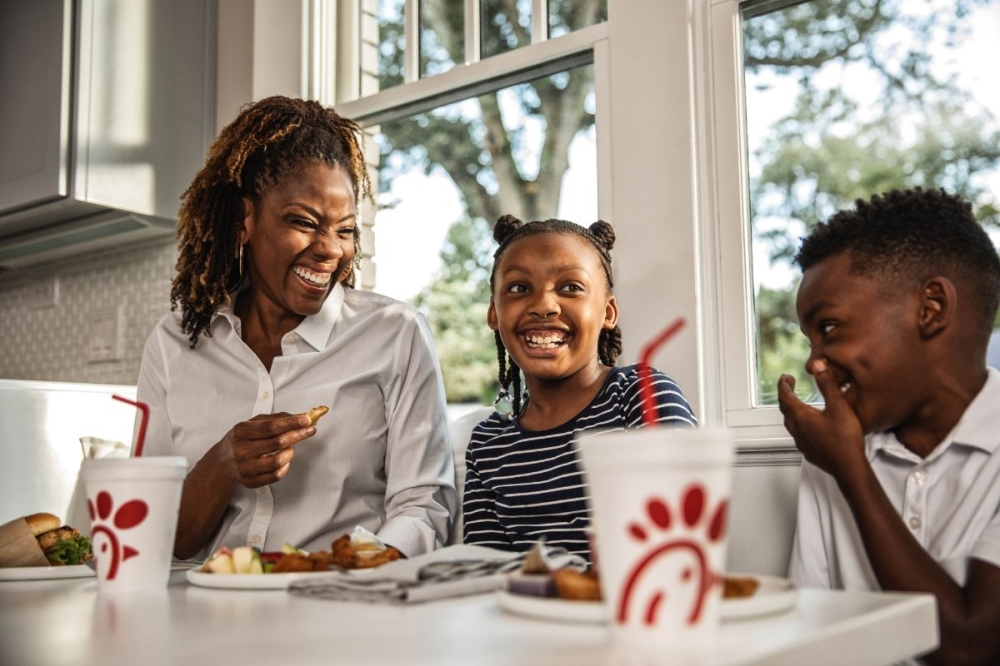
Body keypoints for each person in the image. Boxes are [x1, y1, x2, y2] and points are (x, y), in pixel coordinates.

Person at [137, 96, 456, 561]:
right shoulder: (174, 342)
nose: (330, 250)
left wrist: (357, 567)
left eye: (345, 230)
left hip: (341, 605)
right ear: (246, 219)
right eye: (304, 223)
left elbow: (423, 506)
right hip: (205, 610)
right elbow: (152, 536)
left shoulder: (395, 334)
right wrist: (224, 463)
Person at [778, 188, 1000, 665]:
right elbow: (809, 644)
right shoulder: (830, 453)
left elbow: (971, 648)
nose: (815, 364)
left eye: (830, 328)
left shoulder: (838, 456)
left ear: (931, 308)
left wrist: (852, 474)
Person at [462, 215, 697, 561]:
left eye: (571, 287)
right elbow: (484, 575)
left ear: (608, 312)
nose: (544, 305)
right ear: (494, 314)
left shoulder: (642, 397)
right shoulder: (488, 445)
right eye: (518, 288)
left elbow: (676, 545)